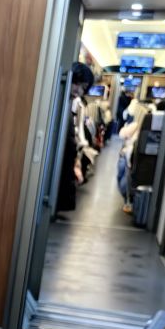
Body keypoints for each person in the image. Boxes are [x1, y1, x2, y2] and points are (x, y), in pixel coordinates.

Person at [56, 62, 97, 215]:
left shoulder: (71, 104)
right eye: (77, 84)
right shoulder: (58, 99)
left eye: (83, 88)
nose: (78, 90)